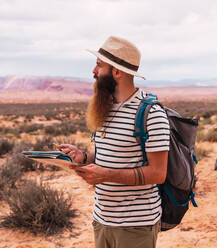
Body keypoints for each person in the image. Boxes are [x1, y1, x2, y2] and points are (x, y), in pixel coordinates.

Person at [58, 36, 170, 248]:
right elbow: (108, 159)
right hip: (102, 220)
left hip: (136, 226)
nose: (93, 71)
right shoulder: (105, 108)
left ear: (117, 72)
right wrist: (83, 157)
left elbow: (158, 173)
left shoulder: (150, 114)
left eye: (100, 66)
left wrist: (106, 175)